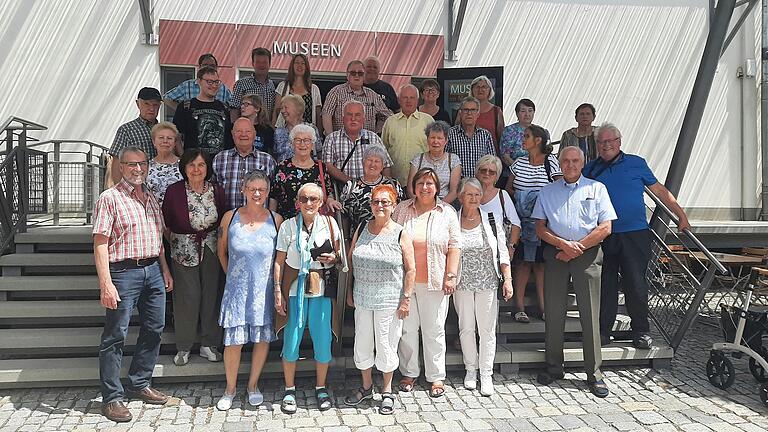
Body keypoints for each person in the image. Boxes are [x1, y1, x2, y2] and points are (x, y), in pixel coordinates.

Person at [583, 123, 691, 348]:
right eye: (601, 142)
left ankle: (641, 331)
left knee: (636, 284)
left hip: (635, 234)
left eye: (610, 141)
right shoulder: (590, 169)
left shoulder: (636, 163)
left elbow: (660, 191)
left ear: (619, 142)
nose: (606, 145)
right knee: (606, 286)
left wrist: (680, 215)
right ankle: (603, 331)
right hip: (603, 235)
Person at [93, 146, 173, 423]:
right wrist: (106, 283)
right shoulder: (110, 198)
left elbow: (158, 238)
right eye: (131, 165)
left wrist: (164, 270)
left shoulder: (150, 197)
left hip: (152, 270)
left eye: (142, 164)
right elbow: (100, 244)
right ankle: (112, 397)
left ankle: (140, 382)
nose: (138, 169)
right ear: (121, 167)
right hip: (123, 272)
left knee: (154, 328)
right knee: (116, 334)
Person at [533, 146, 616, 398]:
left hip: (587, 255)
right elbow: (539, 226)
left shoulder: (596, 189)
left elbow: (606, 227)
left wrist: (577, 248)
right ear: (559, 163)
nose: (570, 165)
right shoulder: (547, 192)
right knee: (554, 312)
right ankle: (554, 367)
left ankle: (595, 374)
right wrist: (563, 245)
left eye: (575, 161)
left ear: (583, 163)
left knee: (590, 315)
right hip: (557, 254)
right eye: (566, 161)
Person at [216, 170, 284, 411]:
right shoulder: (229, 217)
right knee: (233, 342)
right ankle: (230, 389)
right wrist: (232, 276)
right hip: (236, 290)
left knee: (261, 340)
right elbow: (221, 251)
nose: (257, 193)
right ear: (243, 190)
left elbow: (279, 258)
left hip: (263, 291)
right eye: (252, 189)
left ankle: (253, 385)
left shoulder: (276, 220)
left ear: (267, 193)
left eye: (262, 190)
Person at [345, 184, 415, 414]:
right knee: (362, 342)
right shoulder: (362, 228)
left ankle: (387, 390)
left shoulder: (400, 232)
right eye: (376, 201)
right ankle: (366, 387)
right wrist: (348, 290)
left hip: (389, 300)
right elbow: (351, 260)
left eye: (385, 202)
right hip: (363, 298)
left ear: (394, 206)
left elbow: (410, 269)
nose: (380, 205)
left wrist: (406, 298)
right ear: (371, 205)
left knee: (386, 344)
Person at [393, 168, 461, 399]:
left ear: (436, 187)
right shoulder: (402, 209)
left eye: (429, 183)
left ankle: (436, 376)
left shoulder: (447, 212)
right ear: (413, 185)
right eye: (420, 182)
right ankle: (409, 372)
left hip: (436, 281)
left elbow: (455, 246)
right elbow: (391, 240)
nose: (424, 187)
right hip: (405, 283)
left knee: (434, 330)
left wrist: (451, 275)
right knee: (407, 330)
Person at [274, 183, 342, 414]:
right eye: (304, 199)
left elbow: (340, 255)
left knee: (322, 340)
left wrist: (332, 257)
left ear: (321, 203)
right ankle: (289, 389)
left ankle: (321, 387)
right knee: (291, 340)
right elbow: (279, 261)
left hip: (321, 290)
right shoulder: (288, 226)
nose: (309, 203)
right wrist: (276, 290)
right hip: (293, 290)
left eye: (314, 199)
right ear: (298, 202)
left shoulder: (330, 224)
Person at [162, 149, 225, 366]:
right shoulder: (174, 191)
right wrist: (178, 240)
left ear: (207, 168)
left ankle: (209, 343)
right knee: (186, 296)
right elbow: (167, 221)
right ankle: (184, 346)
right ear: (184, 168)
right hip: (183, 248)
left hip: (212, 247)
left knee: (211, 294)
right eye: (191, 165)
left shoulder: (217, 190)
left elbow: (223, 217)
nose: (196, 170)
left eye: (201, 165)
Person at [455, 178, 512, 396]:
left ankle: (486, 373)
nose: (474, 198)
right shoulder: (454, 219)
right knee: (466, 327)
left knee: (487, 329)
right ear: (461, 197)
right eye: (469, 194)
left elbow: (502, 251)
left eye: (477, 195)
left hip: (487, 280)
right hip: (462, 282)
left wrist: (507, 279)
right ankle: (471, 370)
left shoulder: (491, 218)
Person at [508, 125, 562, 323]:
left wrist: (540, 201)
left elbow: (559, 187)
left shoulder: (551, 163)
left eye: (527, 136)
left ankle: (544, 307)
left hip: (543, 223)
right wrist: (523, 199)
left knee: (540, 265)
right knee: (522, 263)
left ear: (538, 140)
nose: (523, 139)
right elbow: (509, 188)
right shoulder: (519, 163)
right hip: (521, 223)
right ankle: (519, 307)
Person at [269, 124, 341, 219]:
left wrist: (330, 200)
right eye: (298, 140)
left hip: (315, 224)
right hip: (287, 224)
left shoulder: (321, 167)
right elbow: (274, 197)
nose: (302, 144)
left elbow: (328, 191)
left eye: (307, 140)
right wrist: (272, 220)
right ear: (292, 144)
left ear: (312, 145)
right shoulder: (282, 167)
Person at [212, 117, 277, 210]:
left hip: (260, 220)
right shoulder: (219, 159)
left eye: (248, 131)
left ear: (254, 135)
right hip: (227, 219)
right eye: (239, 131)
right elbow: (212, 190)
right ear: (232, 134)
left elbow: (273, 194)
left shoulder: (268, 160)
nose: (243, 135)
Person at [322, 100, 393, 183]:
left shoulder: (374, 138)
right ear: (343, 118)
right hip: (342, 190)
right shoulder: (331, 139)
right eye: (349, 114)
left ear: (363, 119)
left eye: (357, 115)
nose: (353, 118)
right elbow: (328, 166)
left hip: (371, 190)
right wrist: (352, 184)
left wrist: (385, 186)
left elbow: (386, 165)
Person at [342, 145, 406, 233]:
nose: (372, 164)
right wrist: (345, 240)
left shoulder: (393, 185)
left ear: (383, 165)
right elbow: (344, 216)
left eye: (377, 161)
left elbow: (402, 212)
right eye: (369, 160)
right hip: (359, 238)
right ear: (363, 162)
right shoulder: (351, 186)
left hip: (389, 236)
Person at [173, 66, 233, 155]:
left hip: (220, 163)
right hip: (194, 164)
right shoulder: (186, 106)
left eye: (216, 82)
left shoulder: (224, 107)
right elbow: (177, 136)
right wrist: (183, 159)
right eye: (209, 82)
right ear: (199, 81)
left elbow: (229, 136)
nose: (214, 85)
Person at [382, 85, 434, 186]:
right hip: (395, 182)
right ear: (399, 100)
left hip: (422, 182)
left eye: (412, 98)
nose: (408, 101)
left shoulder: (428, 121)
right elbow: (384, 150)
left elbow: (435, 150)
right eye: (405, 97)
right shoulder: (390, 122)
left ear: (418, 100)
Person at [322, 60, 392, 135]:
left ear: (364, 75)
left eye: (360, 73)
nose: (356, 76)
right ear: (347, 74)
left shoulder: (373, 95)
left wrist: (377, 134)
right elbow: (326, 114)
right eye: (353, 73)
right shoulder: (336, 92)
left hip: (367, 143)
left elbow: (386, 116)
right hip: (341, 142)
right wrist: (330, 136)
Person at [108, 87, 161, 185]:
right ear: (138, 104)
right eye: (146, 104)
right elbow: (116, 160)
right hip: (137, 184)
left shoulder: (164, 130)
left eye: (155, 105)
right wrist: (119, 189)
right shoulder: (127, 129)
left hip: (161, 184)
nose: (151, 108)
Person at [475, 155, 521, 257]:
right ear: (477, 172)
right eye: (483, 170)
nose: (487, 174)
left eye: (492, 172)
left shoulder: (502, 195)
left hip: (498, 251)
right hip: (473, 249)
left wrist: (511, 247)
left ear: (497, 176)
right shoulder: (469, 193)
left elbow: (516, 224)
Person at [407, 121, 461, 203]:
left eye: (439, 138)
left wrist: (438, 207)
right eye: (432, 137)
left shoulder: (453, 160)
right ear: (427, 139)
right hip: (419, 204)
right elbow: (410, 189)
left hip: (445, 205)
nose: (435, 141)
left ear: (446, 141)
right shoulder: (418, 160)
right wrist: (422, 205)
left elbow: (454, 191)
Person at [446, 97, 495, 179]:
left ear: (478, 114)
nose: (469, 113)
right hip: (457, 184)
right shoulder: (450, 134)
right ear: (460, 113)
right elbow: (444, 161)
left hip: (479, 184)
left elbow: (492, 162)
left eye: (473, 110)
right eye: (466, 110)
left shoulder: (485, 135)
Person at [163, 53, 232, 110]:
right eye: (205, 65)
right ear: (199, 67)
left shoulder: (222, 88)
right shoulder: (187, 86)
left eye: (212, 65)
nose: (209, 68)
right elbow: (167, 98)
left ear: (216, 68)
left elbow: (233, 106)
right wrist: (181, 110)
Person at [273, 53, 323, 130]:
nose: (300, 65)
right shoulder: (283, 86)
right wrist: (273, 130)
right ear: (292, 66)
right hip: (285, 132)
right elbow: (276, 111)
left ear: (306, 67)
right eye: (297, 63)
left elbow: (318, 115)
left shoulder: (314, 89)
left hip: (308, 133)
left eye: (303, 63)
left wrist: (319, 135)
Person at [230, 47, 276, 123]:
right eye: (258, 62)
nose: (261, 65)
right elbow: (234, 108)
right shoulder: (241, 84)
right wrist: (234, 127)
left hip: (266, 129)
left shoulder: (273, 86)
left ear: (269, 64)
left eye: (264, 62)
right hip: (246, 128)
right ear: (253, 63)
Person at [274, 94, 323, 162]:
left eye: (286, 107)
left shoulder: (311, 129)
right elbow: (275, 155)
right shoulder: (278, 132)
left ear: (298, 110)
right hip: (284, 171)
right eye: (282, 108)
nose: (282, 111)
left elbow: (319, 152)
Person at [145, 122, 182, 206]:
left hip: (178, 214)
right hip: (153, 215)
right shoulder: (146, 166)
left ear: (175, 143)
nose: (165, 141)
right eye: (161, 138)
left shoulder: (184, 165)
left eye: (169, 138)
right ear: (154, 142)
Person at [499, 98, 537, 168]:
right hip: (514, 172)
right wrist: (519, 170)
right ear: (517, 113)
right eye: (523, 111)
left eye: (530, 111)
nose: (527, 114)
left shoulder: (540, 132)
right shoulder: (509, 131)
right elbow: (505, 156)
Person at [469, 76, 504, 151]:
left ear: (490, 90)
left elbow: (502, 137)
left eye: (484, 87)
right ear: (472, 90)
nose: (480, 90)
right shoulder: (465, 110)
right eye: (477, 87)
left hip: (490, 156)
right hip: (468, 154)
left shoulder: (496, 111)